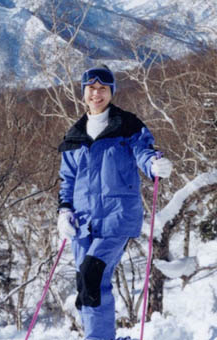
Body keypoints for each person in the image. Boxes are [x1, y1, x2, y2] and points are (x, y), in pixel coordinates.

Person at [57, 65, 173, 340]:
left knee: (92, 274)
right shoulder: (74, 135)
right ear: (83, 92)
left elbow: (143, 151)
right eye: (91, 89)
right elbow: (67, 179)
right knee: (86, 283)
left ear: (111, 92)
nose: (96, 94)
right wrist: (64, 212)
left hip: (117, 217)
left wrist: (154, 164)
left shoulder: (127, 125)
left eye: (103, 89)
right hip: (82, 223)